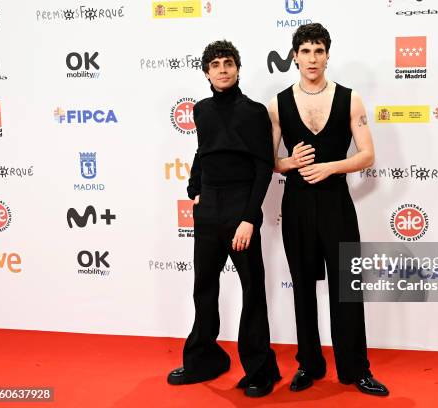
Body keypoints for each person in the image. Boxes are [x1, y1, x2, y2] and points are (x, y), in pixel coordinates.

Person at [267, 23, 389, 397]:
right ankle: (309, 364)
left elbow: (367, 154)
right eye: (305, 51)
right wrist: (288, 164)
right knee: (302, 287)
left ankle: (356, 369)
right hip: (298, 204)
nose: (312, 59)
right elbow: (269, 160)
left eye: (318, 51)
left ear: (327, 55)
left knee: (346, 289)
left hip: (337, 203)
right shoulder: (278, 103)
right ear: (294, 56)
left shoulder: (350, 99)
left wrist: (332, 166)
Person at [167, 40, 281, 398]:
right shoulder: (201, 110)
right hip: (209, 209)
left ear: (237, 68)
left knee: (252, 290)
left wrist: (249, 218)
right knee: (204, 287)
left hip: (240, 208)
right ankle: (204, 360)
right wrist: (193, 189)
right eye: (215, 64)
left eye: (228, 62)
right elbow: (202, 152)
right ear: (206, 72)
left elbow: (264, 165)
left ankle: (261, 369)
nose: (222, 69)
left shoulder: (253, 111)